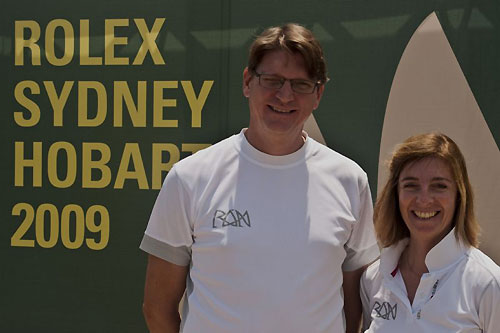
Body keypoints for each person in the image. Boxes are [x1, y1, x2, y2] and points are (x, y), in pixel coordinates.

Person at [140, 23, 379, 333]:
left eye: (301, 84)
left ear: (318, 94)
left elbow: (355, 306)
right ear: (247, 82)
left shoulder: (350, 180)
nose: (284, 95)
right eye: (272, 80)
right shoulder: (190, 177)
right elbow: (157, 308)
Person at [360, 133, 500, 332]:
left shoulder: (488, 283)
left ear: (459, 196)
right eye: (411, 185)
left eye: (439, 186)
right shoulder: (374, 278)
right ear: (395, 194)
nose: (424, 199)